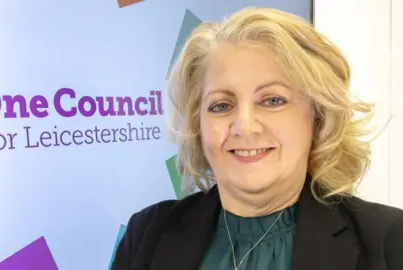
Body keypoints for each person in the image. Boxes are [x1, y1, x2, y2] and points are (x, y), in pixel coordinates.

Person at [111, 7, 403, 270]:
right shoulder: (146, 235)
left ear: (317, 117)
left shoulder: (391, 242)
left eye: (273, 100)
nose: (245, 127)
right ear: (198, 125)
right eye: (221, 105)